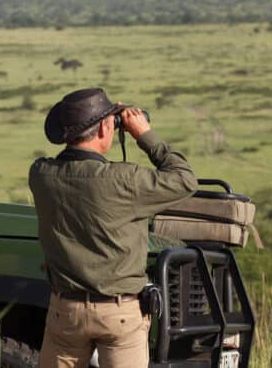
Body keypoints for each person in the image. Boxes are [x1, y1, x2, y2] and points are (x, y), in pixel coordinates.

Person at [29, 88, 197, 368]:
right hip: (119, 312)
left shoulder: (41, 174)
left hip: (65, 310)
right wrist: (144, 134)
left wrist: (106, 117)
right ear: (107, 126)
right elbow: (184, 179)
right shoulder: (124, 180)